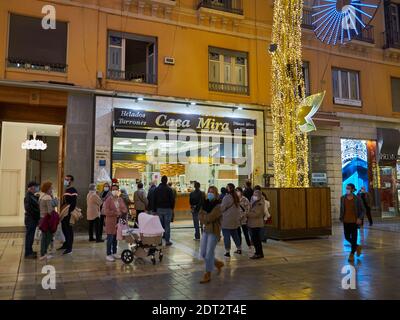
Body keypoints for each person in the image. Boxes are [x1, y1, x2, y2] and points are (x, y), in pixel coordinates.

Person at [199, 186, 224, 284]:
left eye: (212, 192)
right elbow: (199, 215)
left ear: (216, 193)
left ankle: (207, 273)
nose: (210, 193)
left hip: (214, 231)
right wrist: (204, 217)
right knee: (203, 253)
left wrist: (204, 217)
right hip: (206, 230)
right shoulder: (205, 203)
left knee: (209, 253)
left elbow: (210, 218)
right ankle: (217, 263)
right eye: (209, 192)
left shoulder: (218, 205)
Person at [340, 183, 365, 263]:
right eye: (346, 188)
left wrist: (359, 218)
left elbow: (363, 210)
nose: (347, 189)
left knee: (354, 238)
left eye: (348, 188)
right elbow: (342, 209)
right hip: (346, 221)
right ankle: (357, 247)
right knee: (347, 237)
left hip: (354, 221)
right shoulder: (343, 198)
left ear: (352, 189)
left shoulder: (357, 199)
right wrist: (341, 217)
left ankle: (351, 254)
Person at [104, 184, 128, 262]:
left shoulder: (120, 199)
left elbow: (124, 208)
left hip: (118, 221)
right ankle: (108, 254)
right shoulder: (108, 200)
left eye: (116, 189)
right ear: (111, 191)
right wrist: (116, 212)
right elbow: (106, 211)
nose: (115, 191)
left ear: (118, 190)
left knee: (115, 238)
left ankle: (114, 252)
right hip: (110, 221)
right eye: (113, 189)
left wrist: (121, 211)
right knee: (110, 238)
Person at [220, 183, 242, 257]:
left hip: (227, 219)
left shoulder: (227, 197)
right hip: (235, 219)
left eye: (227, 187)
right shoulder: (236, 197)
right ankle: (239, 249)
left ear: (229, 189)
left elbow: (222, 208)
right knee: (235, 235)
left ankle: (227, 251)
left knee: (226, 235)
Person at [38, 181, 58, 260]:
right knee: (48, 236)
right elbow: (50, 210)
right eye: (51, 188)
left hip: (42, 218)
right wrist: (54, 201)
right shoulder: (48, 197)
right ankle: (44, 254)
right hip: (47, 219)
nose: (52, 189)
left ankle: (43, 253)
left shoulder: (42, 196)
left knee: (44, 236)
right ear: (48, 188)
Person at [154, 176, 175, 246]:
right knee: (167, 225)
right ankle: (167, 241)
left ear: (161, 180)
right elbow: (172, 200)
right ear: (166, 181)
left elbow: (154, 199)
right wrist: (172, 208)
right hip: (168, 209)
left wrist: (155, 209)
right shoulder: (169, 189)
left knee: (159, 225)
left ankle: (159, 241)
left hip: (159, 209)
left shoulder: (157, 189)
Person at [59, 175, 78, 255]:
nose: (66, 181)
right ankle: (66, 244)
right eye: (65, 179)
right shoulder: (67, 190)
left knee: (68, 230)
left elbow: (73, 203)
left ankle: (69, 248)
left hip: (68, 213)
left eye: (68, 179)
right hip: (64, 212)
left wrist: (69, 213)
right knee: (64, 228)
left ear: (71, 181)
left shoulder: (73, 190)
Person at [246, 190, 265, 259]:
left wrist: (247, 214)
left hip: (256, 223)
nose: (254, 196)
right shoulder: (254, 201)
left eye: (256, 195)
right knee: (255, 239)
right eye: (254, 194)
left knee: (256, 239)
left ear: (259, 196)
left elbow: (256, 214)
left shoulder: (260, 203)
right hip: (253, 223)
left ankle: (258, 253)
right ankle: (258, 252)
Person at [24, 181, 40, 259]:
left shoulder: (32, 196)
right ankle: (28, 253)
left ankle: (30, 251)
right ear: (32, 187)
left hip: (32, 219)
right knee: (29, 236)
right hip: (30, 219)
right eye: (36, 186)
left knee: (31, 236)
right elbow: (29, 208)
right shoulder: (28, 196)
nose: (37, 188)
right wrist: (37, 214)